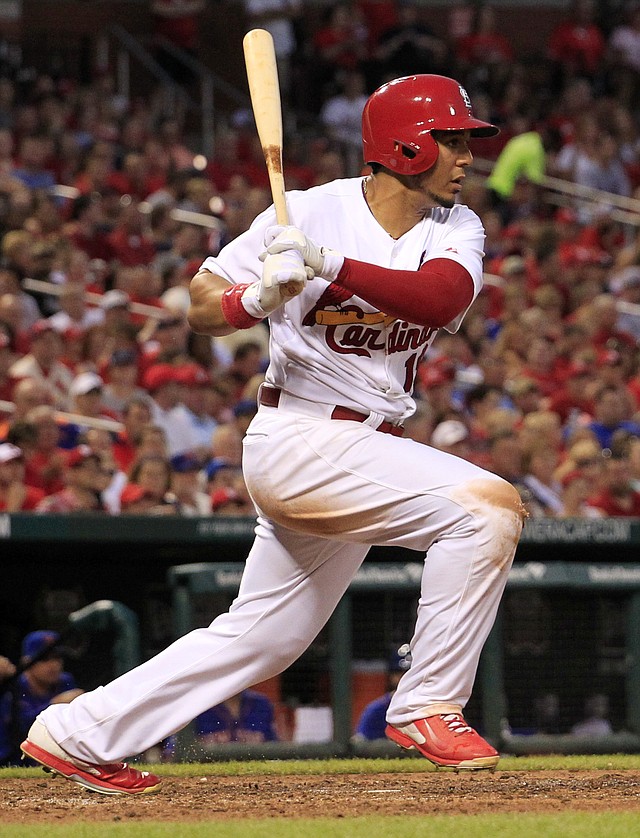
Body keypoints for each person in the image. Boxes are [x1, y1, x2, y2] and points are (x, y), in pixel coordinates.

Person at [21, 74, 525, 793]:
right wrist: (252, 297)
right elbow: (198, 305)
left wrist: (327, 266)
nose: (466, 156)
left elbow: (441, 299)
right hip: (300, 435)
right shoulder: (310, 210)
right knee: (486, 509)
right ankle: (426, 704)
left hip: (364, 444)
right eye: (452, 139)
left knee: (266, 638)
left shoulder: (455, 228)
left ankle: (76, 733)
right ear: (406, 144)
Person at [0, 631, 82, 766]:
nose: (53, 665)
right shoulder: (13, 685)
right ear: (27, 662)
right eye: (44, 659)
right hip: (14, 760)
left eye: (57, 658)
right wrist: (53, 705)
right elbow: (17, 730)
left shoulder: (65, 681)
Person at [353, 643, 412, 741]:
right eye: (399, 673)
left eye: (408, 673)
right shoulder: (377, 710)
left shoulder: (432, 707)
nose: (404, 678)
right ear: (391, 676)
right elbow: (359, 743)